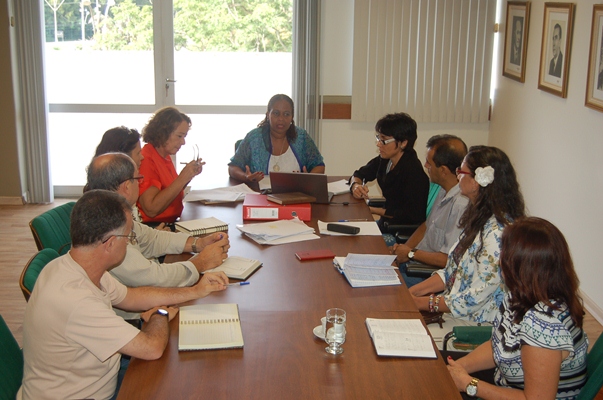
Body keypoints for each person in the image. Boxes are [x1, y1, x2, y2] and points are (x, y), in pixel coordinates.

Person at [19, 190, 229, 400]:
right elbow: (152, 347)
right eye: (128, 237)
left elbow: (132, 296)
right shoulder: (76, 301)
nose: (129, 243)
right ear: (110, 243)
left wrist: (195, 290)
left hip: (96, 380)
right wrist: (161, 314)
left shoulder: (74, 266)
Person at [446, 217, 588, 399]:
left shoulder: (543, 325)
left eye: (504, 253)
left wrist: (468, 384)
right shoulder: (520, 296)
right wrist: (458, 368)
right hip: (503, 383)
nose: (499, 260)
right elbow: (498, 346)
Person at [86, 153, 229, 318]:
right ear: (126, 186)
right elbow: (152, 278)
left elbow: (151, 238)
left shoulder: (111, 210)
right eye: (138, 179)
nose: (140, 184)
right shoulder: (108, 227)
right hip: (133, 318)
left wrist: (197, 243)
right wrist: (200, 263)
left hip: (146, 301)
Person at [409, 146, 525, 344]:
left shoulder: (498, 234)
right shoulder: (480, 219)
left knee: (408, 342)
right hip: (457, 314)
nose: (457, 176)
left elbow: (475, 298)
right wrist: (411, 293)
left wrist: (423, 303)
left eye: (461, 172)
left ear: (478, 181)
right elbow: (453, 272)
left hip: (476, 327)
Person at [392, 134, 469, 287]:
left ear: (444, 171)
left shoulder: (460, 204)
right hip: (414, 261)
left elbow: (449, 259)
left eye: (429, 162)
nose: (426, 166)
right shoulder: (443, 189)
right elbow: (426, 226)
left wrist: (410, 253)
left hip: (427, 274)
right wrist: (402, 251)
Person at [350, 112, 429, 237]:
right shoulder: (386, 159)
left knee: (358, 241)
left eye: (384, 141)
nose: (378, 144)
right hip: (385, 224)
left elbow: (410, 215)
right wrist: (356, 185)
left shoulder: (413, 172)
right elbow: (360, 173)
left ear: (403, 143)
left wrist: (372, 210)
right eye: (378, 138)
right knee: (347, 231)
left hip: (399, 232)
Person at [228, 94, 325, 183]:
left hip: (294, 196)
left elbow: (319, 166)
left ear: (292, 117)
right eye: (276, 113)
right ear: (268, 115)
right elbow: (233, 167)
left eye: (286, 114)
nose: (281, 119)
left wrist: (307, 178)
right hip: (260, 196)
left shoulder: (301, 137)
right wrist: (246, 177)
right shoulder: (254, 138)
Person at [138, 107, 204, 224]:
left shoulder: (164, 155)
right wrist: (183, 177)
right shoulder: (147, 159)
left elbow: (169, 192)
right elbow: (151, 209)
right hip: (156, 227)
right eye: (179, 136)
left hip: (171, 222)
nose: (183, 142)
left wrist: (189, 176)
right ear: (163, 133)